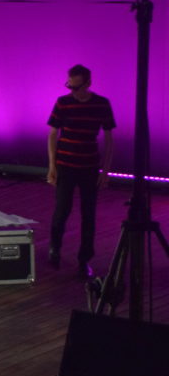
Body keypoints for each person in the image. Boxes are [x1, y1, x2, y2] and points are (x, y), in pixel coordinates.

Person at [47, 64, 115, 279]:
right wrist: (52, 166)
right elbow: (53, 134)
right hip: (66, 165)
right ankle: (54, 248)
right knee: (61, 210)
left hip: (89, 166)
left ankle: (84, 260)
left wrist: (105, 171)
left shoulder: (101, 104)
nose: (72, 91)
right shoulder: (63, 102)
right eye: (70, 86)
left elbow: (109, 139)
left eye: (76, 87)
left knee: (88, 215)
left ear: (88, 84)